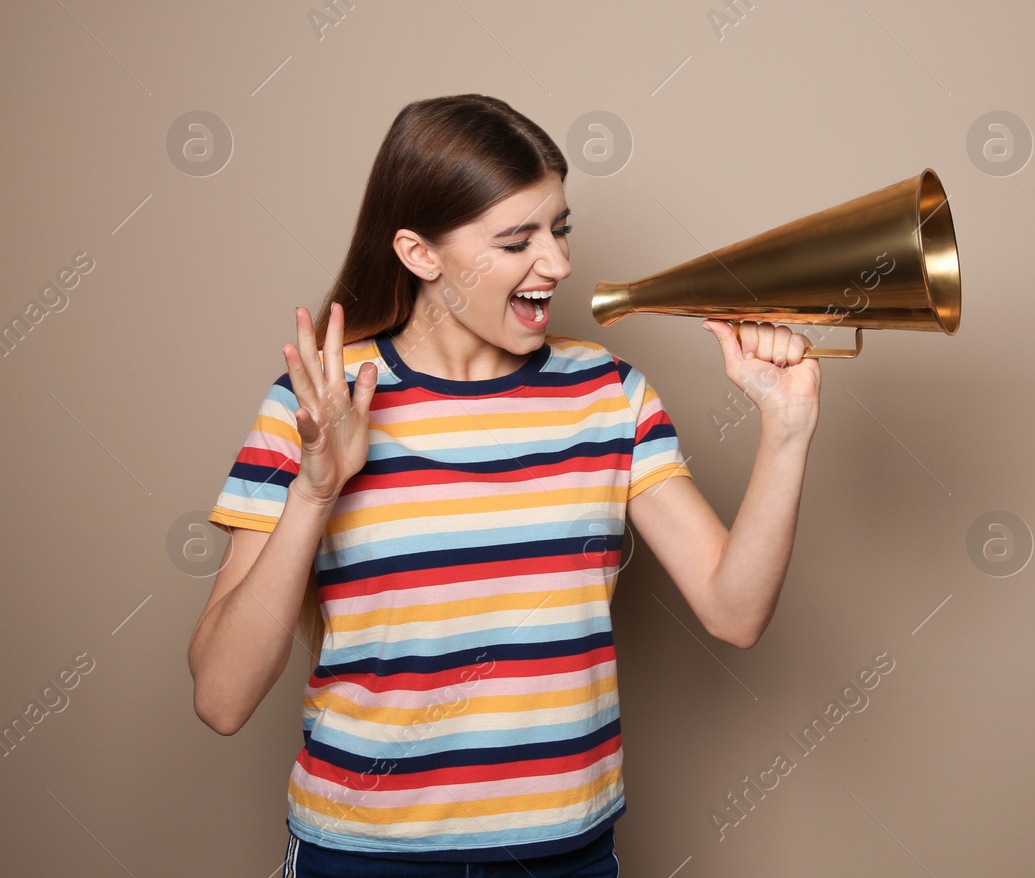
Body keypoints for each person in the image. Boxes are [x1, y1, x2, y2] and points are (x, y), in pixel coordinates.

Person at [186, 94, 821, 877]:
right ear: (420, 253)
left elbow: (735, 610)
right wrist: (316, 491)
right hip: (364, 858)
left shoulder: (608, 394)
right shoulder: (312, 403)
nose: (555, 264)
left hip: (563, 855)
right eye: (517, 240)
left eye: (559, 229)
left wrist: (786, 430)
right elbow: (220, 697)